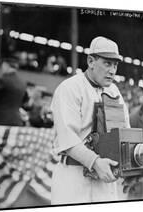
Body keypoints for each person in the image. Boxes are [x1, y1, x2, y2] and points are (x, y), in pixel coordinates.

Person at [51, 36, 130, 204]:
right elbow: (67, 138)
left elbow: (124, 133)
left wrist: (130, 164)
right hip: (74, 176)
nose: (112, 71)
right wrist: (94, 162)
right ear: (91, 61)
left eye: (115, 65)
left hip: (105, 178)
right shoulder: (69, 88)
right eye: (107, 63)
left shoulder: (115, 91)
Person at [0, 58, 27, 126]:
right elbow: (25, 100)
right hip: (17, 120)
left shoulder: (4, 80)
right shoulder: (22, 83)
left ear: (5, 65)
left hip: (2, 120)